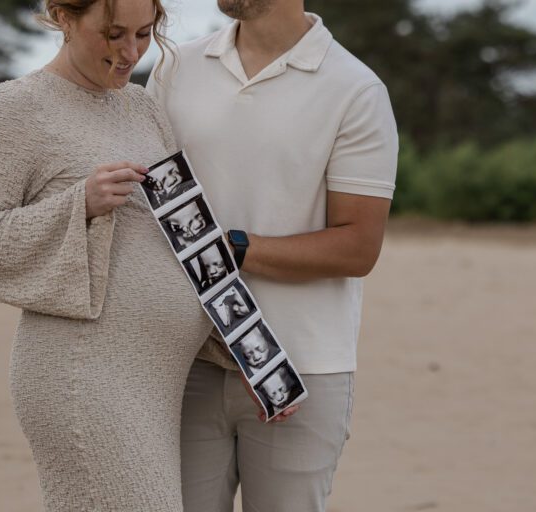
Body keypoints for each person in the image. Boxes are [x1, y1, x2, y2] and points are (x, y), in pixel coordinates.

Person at [0, 1, 214, 511]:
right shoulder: (19, 105)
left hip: (162, 381)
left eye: (144, 33)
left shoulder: (142, 106)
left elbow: (179, 238)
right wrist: (79, 205)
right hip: (83, 375)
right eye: (113, 34)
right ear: (63, 17)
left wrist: (248, 358)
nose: (131, 52)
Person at [147, 0, 398, 510]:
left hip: (300, 368)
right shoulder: (175, 66)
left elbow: (358, 246)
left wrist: (230, 251)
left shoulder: (356, 89)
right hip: (183, 361)